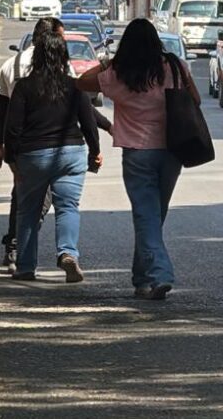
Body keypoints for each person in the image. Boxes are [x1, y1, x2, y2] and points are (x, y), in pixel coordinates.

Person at [77, 18, 199, 301]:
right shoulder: (174, 66)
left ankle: (160, 275)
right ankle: (142, 278)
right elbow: (195, 100)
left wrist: (107, 63)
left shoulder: (120, 73)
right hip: (172, 150)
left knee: (147, 216)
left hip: (137, 153)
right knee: (153, 216)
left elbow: (82, 83)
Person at [0, 17, 111, 272]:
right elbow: (88, 120)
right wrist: (95, 151)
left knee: (28, 211)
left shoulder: (23, 87)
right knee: (68, 207)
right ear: (63, 55)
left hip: (33, 156)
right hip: (71, 153)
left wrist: (13, 162)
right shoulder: (73, 85)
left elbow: (12, 128)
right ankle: (68, 253)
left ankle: (25, 267)